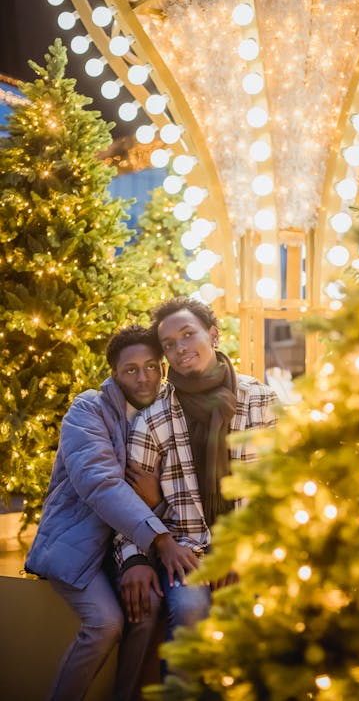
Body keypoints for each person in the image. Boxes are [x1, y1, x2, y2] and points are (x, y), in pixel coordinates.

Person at [114, 297, 278, 662]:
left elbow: (279, 489)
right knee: (189, 610)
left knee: (253, 611)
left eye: (188, 335)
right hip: (188, 552)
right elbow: (127, 502)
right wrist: (134, 560)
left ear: (214, 335)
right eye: (169, 345)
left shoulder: (260, 402)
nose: (180, 349)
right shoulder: (153, 419)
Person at [25, 324, 179, 701]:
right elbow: (101, 485)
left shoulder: (165, 413)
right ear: (114, 373)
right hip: (77, 542)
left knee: (148, 607)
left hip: (124, 546)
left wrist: (143, 543)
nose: (143, 377)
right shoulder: (88, 410)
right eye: (131, 369)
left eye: (152, 366)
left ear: (162, 368)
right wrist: (160, 539)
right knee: (105, 623)